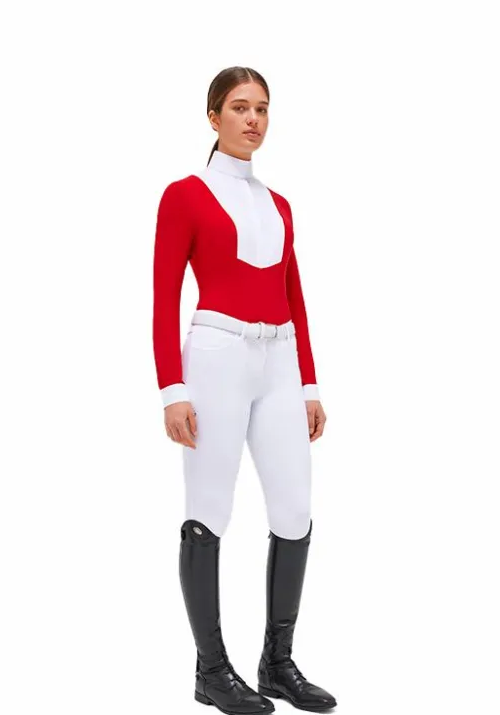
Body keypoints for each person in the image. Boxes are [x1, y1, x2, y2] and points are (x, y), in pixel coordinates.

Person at [152, 66, 337, 714]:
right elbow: (164, 295)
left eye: (261, 108)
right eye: (239, 107)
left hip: (279, 357)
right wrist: (171, 388)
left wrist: (309, 382)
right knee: (210, 508)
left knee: (294, 509)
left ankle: (276, 663)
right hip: (216, 356)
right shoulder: (185, 195)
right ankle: (211, 671)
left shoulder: (278, 204)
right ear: (213, 117)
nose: (253, 119)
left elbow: (294, 295)